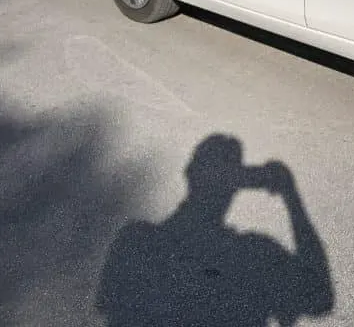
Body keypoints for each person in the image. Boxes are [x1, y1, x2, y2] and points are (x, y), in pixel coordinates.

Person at [95, 135, 334, 327]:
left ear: (189, 172)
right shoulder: (253, 254)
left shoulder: (134, 242)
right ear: (236, 188)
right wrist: (291, 198)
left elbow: (107, 306)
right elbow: (319, 297)